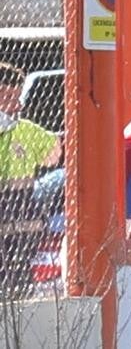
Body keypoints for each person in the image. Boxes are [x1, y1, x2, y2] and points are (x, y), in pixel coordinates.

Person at [0, 62, 61, 297]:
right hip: (21, 230)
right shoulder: (25, 131)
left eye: (17, 96)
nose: (18, 105)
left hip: (23, 236)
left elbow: (53, 154)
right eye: (8, 97)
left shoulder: (25, 131)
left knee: (19, 290)